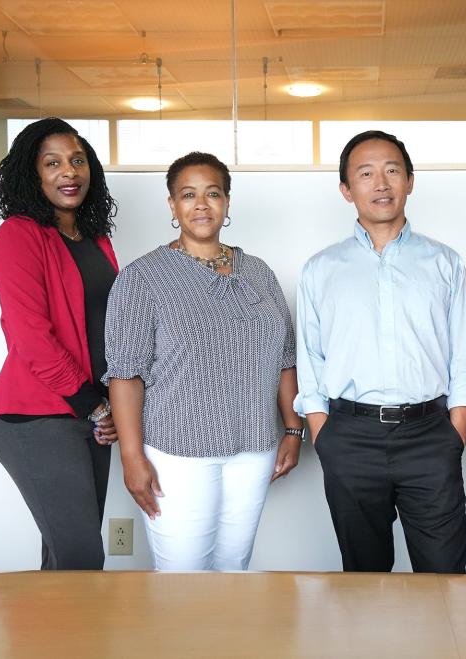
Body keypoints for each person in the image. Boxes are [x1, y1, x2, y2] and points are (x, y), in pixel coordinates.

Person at [295, 130, 466, 574]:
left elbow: (462, 358)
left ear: (410, 181)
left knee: (444, 577)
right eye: (366, 173)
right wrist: (325, 437)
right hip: (350, 438)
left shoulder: (445, 263)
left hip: (430, 436)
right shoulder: (321, 269)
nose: (381, 183)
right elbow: (310, 360)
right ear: (346, 190)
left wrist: (453, 434)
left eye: (392, 170)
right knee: (363, 578)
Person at [104, 152, 301, 571]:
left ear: (227, 203)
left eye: (213, 193)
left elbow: (284, 356)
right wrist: (131, 457)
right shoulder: (143, 277)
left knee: (234, 570)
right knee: (183, 576)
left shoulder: (259, 272)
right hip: (177, 453)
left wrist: (293, 430)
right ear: (172, 206)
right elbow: (125, 374)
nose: (201, 205)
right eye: (188, 195)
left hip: (254, 448)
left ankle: (228, 641)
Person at [0, 117, 120, 570]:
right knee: (81, 557)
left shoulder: (95, 238)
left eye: (78, 160)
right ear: (32, 173)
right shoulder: (18, 236)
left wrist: (111, 402)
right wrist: (93, 405)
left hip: (89, 411)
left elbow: (108, 326)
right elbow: (31, 337)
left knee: (65, 559)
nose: (70, 172)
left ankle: (47, 643)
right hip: (35, 419)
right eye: (53, 163)